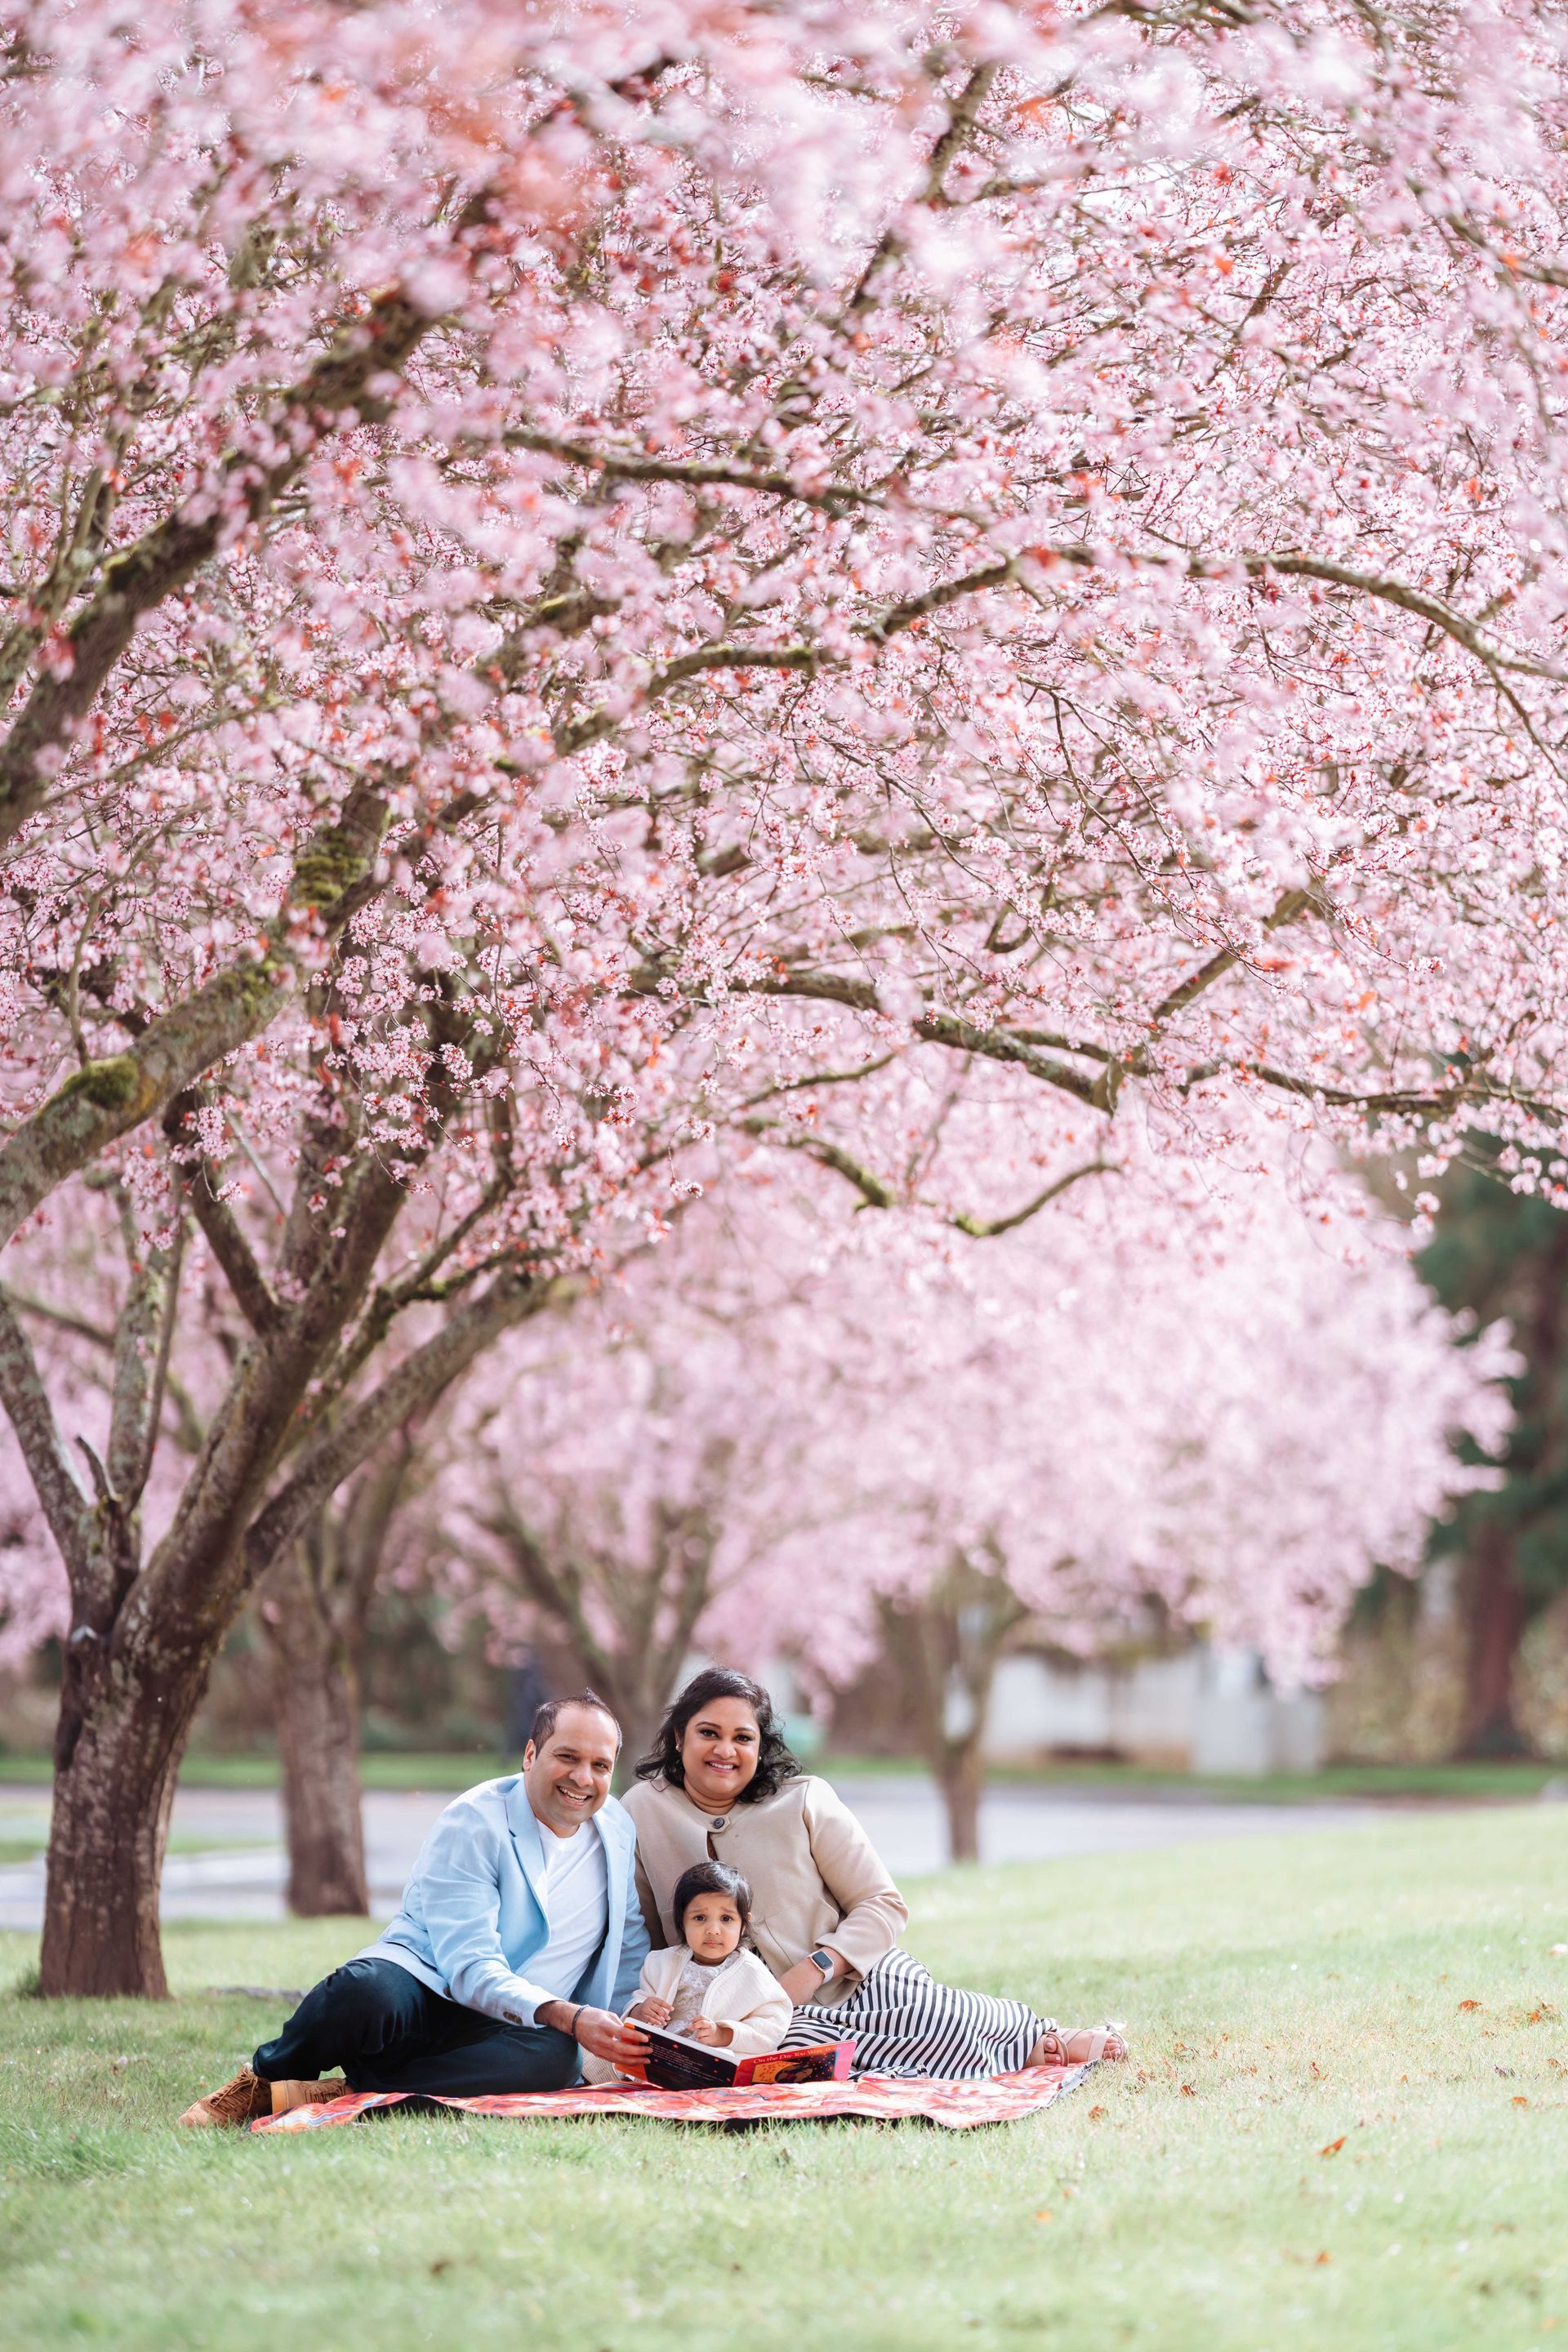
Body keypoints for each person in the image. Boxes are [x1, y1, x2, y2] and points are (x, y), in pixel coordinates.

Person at [622, 1667, 1127, 2079]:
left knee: (937, 2018)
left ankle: (1040, 2038)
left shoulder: (804, 1799)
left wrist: (815, 1968)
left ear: (761, 1747)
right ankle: (1002, 2054)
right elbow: (642, 1932)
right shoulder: (643, 1810)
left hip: (851, 1974)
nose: (725, 1751)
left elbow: (882, 1904)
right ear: (677, 1735)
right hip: (748, 2012)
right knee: (813, 2063)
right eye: (708, 1733)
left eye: (742, 1738)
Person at [180, 1692, 652, 2126]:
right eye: (567, 1757)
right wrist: (570, 2016)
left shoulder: (615, 1829)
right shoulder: (474, 1822)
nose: (583, 1778)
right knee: (362, 1990)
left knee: (555, 2059)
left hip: (511, 2031)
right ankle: (264, 2080)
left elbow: (627, 1940)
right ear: (530, 1755)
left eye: (600, 1765)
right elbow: (470, 1967)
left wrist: (630, 2013)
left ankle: (348, 2091)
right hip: (425, 1994)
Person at [581, 1858, 791, 2083]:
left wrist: (724, 2034)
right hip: (662, 2054)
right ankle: (632, 2081)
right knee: (591, 2051)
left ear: (743, 1924)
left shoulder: (752, 1973)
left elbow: (773, 2021)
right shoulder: (661, 1962)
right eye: (700, 1918)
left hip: (714, 2058)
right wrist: (642, 2010)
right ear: (682, 1921)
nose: (713, 1930)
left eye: (726, 1919)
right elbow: (638, 2002)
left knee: (736, 2065)